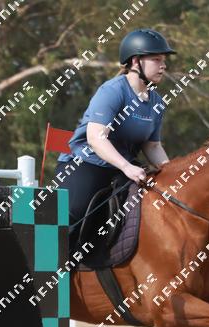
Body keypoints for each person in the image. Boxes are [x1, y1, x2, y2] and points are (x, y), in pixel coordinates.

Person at [54, 29, 175, 225]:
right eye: (156, 59)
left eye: (163, 60)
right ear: (136, 61)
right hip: (86, 163)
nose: (163, 65)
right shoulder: (112, 91)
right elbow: (96, 138)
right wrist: (127, 167)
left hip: (125, 169)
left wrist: (172, 173)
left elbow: (152, 146)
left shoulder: (157, 102)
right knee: (75, 214)